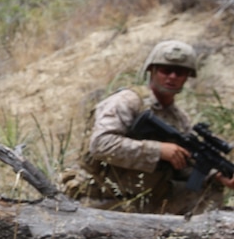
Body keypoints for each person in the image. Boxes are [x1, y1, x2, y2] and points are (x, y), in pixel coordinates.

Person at [71, 39, 234, 214]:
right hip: (102, 197)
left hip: (147, 196)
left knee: (210, 187)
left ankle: (196, 238)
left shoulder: (179, 119)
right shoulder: (127, 101)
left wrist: (215, 174)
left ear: (187, 77)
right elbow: (101, 145)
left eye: (179, 72)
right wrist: (159, 150)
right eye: (166, 70)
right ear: (152, 71)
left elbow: (184, 166)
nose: (172, 77)